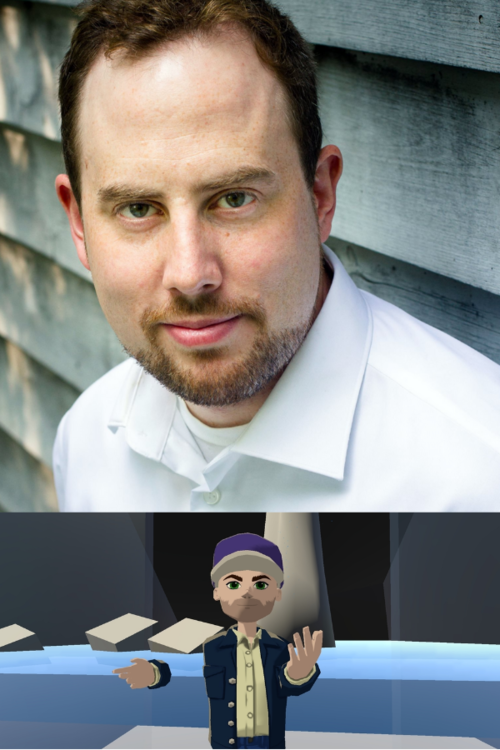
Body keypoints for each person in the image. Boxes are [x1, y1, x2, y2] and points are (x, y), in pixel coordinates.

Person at [53, 0, 500, 511]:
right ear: (80, 225)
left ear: (320, 196)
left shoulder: (479, 476)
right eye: (138, 208)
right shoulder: (86, 447)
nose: (191, 273)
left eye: (234, 199)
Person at [113, 533, 321, 749]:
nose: (247, 593)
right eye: (233, 585)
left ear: (277, 593)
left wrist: (299, 675)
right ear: (216, 592)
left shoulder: (279, 647)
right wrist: (155, 673)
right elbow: (183, 673)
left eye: (260, 585)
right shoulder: (212, 646)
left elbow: (288, 686)